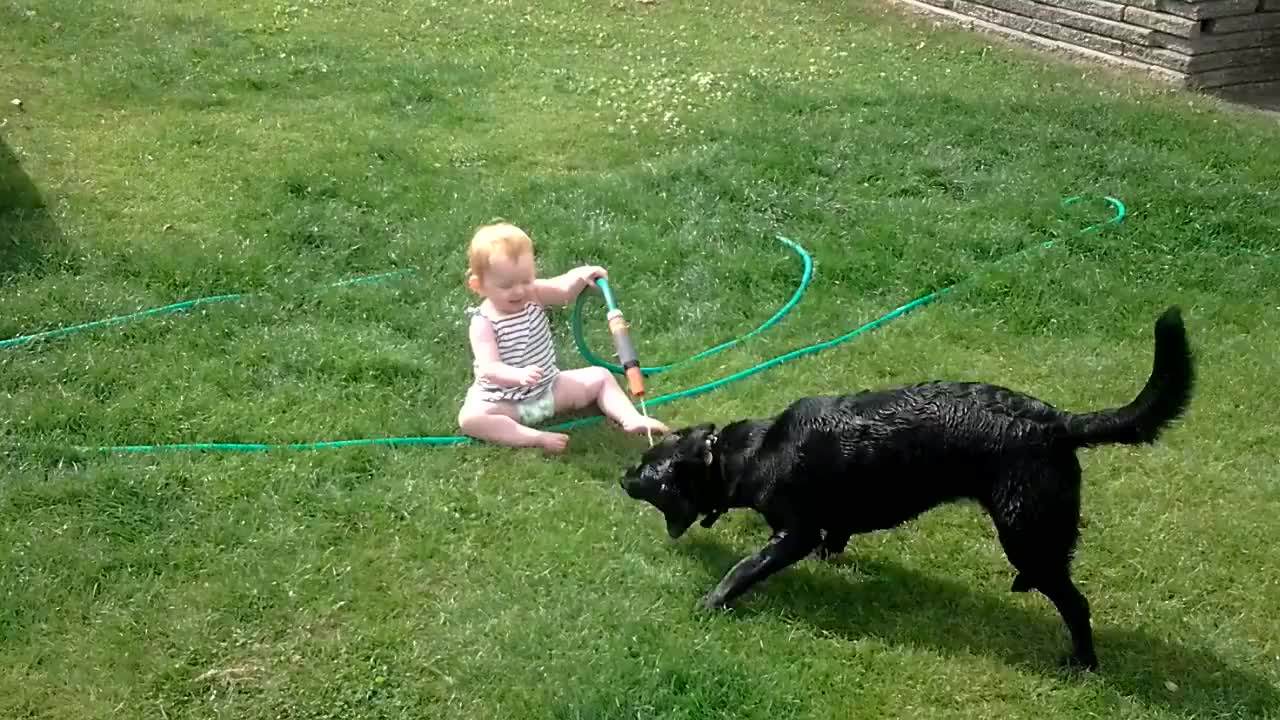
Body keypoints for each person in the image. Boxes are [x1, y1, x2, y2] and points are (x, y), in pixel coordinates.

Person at [457, 222, 668, 453]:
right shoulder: (483, 323)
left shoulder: (534, 293)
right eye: (506, 285)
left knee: (600, 377)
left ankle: (630, 418)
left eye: (525, 280)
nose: (519, 290)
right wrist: (517, 375)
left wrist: (581, 275)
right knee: (471, 418)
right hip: (505, 400)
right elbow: (490, 367)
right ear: (478, 285)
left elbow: (563, 290)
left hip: (550, 387)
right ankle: (534, 437)